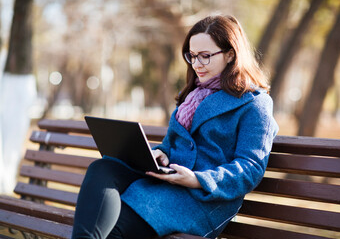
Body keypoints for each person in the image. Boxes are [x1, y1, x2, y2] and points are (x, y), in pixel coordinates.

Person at [72, 14, 279, 239]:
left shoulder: (255, 103)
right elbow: (173, 144)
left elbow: (250, 168)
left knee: (114, 228)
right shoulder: (192, 95)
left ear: (230, 54)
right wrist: (161, 153)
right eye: (192, 56)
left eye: (206, 56)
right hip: (168, 182)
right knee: (104, 168)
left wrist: (197, 179)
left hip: (202, 198)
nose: (197, 64)